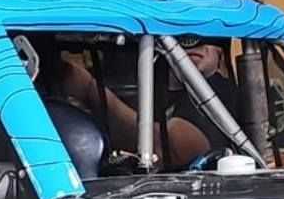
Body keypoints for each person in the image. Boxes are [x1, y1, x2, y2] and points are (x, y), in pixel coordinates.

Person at [58, 40, 242, 171]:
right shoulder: (145, 82)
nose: (195, 44)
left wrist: (89, 89)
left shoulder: (217, 92)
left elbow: (170, 148)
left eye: (206, 36)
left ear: (221, 52)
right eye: (183, 35)